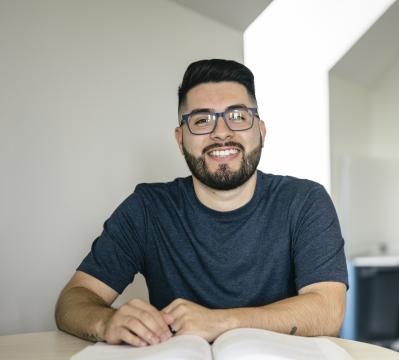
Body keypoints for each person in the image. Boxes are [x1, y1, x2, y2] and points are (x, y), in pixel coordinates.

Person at [55, 59, 348, 347]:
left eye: (237, 116)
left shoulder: (305, 201)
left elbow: (328, 310)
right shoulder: (147, 209)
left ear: (261, 131)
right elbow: (74, 299)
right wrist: (107, 321)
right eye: (202, 120)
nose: (221, 132)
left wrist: (221, 321)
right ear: (180, 139)